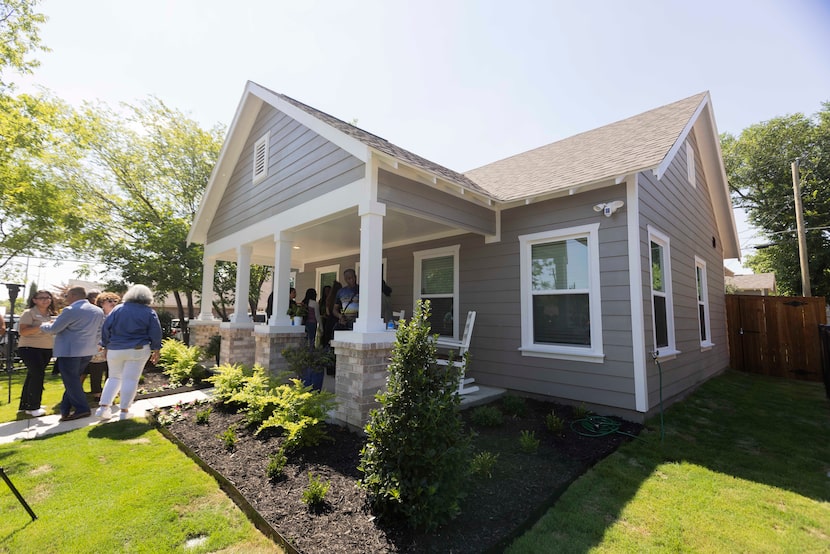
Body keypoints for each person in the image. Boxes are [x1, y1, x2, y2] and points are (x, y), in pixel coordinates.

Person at [95, 284, 162, 421]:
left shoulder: (117, 309)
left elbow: (106, 328)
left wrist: (105, 344)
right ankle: (124, 411)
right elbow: (155, 332)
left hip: (115, 349)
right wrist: (156, 349)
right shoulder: (148, 312)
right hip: (137, 349)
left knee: (113, 378)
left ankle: (103, 407)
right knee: (130, 379)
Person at [40, 286, 104, 421]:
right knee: (73, 381)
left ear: (74, 296)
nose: (66, 298)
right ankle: (65, 409)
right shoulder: (98, 311)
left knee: (72, 381)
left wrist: (44, 324)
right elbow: (99, 332)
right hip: (87, 351)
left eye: (67, 296)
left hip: (70, 352)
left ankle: (82, 409)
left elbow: (54, 329)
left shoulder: (70, 310)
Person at [17, 290, 57, 417]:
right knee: (38, 375)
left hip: (46, 348)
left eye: (48, 297)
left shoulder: (51, 314)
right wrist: (42, 326)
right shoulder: (29, 313)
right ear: (34, 300)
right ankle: (34, 407)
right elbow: (23, 331)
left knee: (32, 376)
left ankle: (25, 404)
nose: (45, 300)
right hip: (29, 348)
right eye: (41, 298)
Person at [85, 292, 121, 399]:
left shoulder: (118, 316)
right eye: (109, 301)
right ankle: (96, 392)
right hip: (98, 347)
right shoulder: (96, 315)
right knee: (96, 370)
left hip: (114, 347)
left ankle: (110, 392)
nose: (113, 303)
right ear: (101, 303)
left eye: (115, 301)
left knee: (112, 371)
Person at [322, 281, 341, 347]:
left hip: (329, 321)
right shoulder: (340, 298)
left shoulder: (328, 299)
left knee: (328, 339)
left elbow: (327, 312)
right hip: (337, 320)